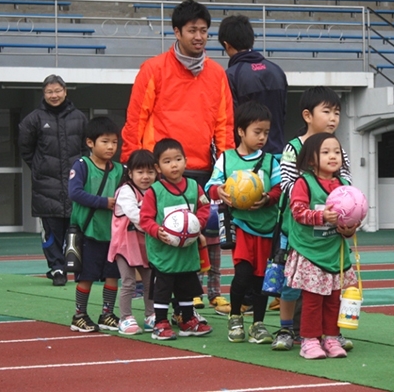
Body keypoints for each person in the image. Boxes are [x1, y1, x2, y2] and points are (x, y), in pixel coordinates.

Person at [271, 86, 353, 352]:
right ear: (308, 115)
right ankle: (287, 329)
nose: (332, 118)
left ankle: (328, 334)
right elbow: (286, 184)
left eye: (337, 113)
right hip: (295, 229)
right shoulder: (293, 148)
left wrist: (348, 212)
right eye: (326, 111)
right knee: (292, 286)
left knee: (329, 288)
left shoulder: (338, 150)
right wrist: (315, 202)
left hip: (331, 233)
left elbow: (347, 188)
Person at [121, 0, 234, 185]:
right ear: (177, 32)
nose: (199, 36)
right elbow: (135, 121)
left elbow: (224, 127)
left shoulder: (217, 74)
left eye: (203, 31)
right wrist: (132, 165)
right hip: (158, 171)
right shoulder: (153, 69)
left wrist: (227, 167)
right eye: (192, 30)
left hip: (202, 172)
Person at [205, 101, 282, 344]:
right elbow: (210, 186)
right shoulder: (226, 159)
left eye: (266, 133)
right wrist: (220, 192)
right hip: (241, 225)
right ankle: (236, 317)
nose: (262, 137)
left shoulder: (271, 161)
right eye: (257, 132)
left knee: (262, 278)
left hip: (267, 228)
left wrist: (269, 198)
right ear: (241, 131)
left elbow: (281, 188)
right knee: (243, 275)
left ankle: (258, 324)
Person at [285, 133, 359, 360]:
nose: (333, 156)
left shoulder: (345, 185)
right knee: (313, 301)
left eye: (336, 152)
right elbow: (297, 212)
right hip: (311, 252)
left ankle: (331, 338)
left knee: (334, 299)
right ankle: (309, 340)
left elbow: (353, 216)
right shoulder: (303, 183)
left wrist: (350, 228)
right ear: (310, 159)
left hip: (334, 253)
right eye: (325, 152)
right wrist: (321, 216)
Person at [139, 138, 213, 340]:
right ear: (158, 167)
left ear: (186, 161)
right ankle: (160, 321)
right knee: (163, 287)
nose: (174, 165)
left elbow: (205, 208)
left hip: (187, 251)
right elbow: (145, 219)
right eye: (167, 161)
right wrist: (156, 230)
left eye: (178, 159)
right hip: (164, 252)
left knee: (187, 286)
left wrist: (198, 222)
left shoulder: (194, 187)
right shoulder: (155, 191)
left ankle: (187, 319)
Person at [19, 74, 89, 286]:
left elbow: (87, 146)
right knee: (52, 230)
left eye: (58, 91)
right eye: (49, 92)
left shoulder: (79, 117)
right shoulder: (34, 119)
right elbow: (25, 148)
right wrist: (41, 167)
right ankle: (57, 268)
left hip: (74, 185)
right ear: (44, 94)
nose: (54, 95)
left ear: (65, 91)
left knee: (75, 229)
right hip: (46, 187)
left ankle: (76, 267)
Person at [68, 117, 124, 333]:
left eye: (115, 142)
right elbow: (75, 193)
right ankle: (79, 315)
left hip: (113, 234)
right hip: (88, 232)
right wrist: (103, 202)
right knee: (87, 275)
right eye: (105, 141)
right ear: (90, 143)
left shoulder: (120, 169)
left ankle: (107, 313)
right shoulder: (82, 165)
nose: (111, 147)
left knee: (112, 274)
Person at [218, 14, 288, 156]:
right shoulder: (277, 70)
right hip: (278, 156)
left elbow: (230, 121)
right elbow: (284, 113)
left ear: (227, 45)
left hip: (247, 159)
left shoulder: (230, 76)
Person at [108, 149, 157, 335]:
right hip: (125, 244)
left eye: (150, 172)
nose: (145, 176)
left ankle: (150, 315)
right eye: (140, 172)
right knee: (128, 282)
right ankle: (125, 318)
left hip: (146, 244)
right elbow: (136, 216)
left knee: (149, 282)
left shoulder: (155, 191)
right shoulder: (125, 191)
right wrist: (158, 229)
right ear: (130, 173)